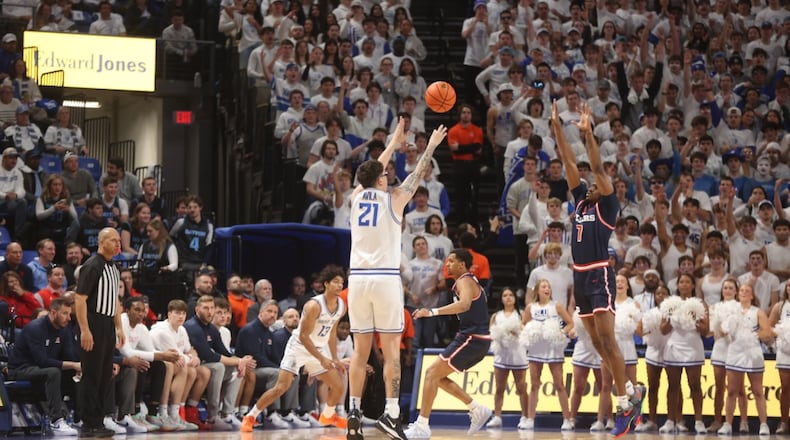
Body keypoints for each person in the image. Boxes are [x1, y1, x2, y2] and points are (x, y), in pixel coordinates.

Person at [346, 118, 446, 440]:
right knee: (391, 352)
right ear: (380, 180)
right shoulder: (395, 199)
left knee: (360, 352)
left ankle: (353, 413)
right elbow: (417, 175)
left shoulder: (356, 198)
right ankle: (391, 414)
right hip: (385, 279)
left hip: (358, 281)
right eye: (386, 175)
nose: (389, 176)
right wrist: (429, 146)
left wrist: (392, 142)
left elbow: (372, 171)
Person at [551, 101, 643, 438]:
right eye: (586, 185)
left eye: (593, 184)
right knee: (597, 345)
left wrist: (588, 134)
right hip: (579, 273)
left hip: (599, 272)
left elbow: (596, 168)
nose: (588, 184)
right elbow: (568, 161)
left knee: (608, 339)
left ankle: (624, 403)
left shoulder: (607, 205)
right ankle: (632, 392)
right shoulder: (580, 203)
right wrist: (558, 127)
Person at [240, 265, 349, 431]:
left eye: (342, 282)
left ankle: (327, 415)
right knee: (281, 387)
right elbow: (304, 337)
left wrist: (334, 358)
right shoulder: (314, 306)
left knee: (338, 386)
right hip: (298, 347)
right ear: (326, 284)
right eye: (336, 282)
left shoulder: (341, 306)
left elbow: (332, 332)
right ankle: (250, 416)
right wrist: (322, 359)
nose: (340, 286)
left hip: (318, 349)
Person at [404, 249, 492, 438]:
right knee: (436, 377)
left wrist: (432, 312)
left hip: (472, 338)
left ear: (462, 264)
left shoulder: (465, 281)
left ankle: (422, 426)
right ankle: (476, 408)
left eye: (451, 261)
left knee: (430, 373)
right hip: (475, 339)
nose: (447, 264)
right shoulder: (464, 282)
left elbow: (465, 305)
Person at [73, 228, 124, 438]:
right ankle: (88, 423)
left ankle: (99, 420)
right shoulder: (92, 265)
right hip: (93, 322)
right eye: (113, 240)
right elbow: (80, 299)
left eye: (119, 240)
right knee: (92, 374)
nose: (118, 243)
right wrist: (85, 330)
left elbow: (115, 301)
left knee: (105, 375)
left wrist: (119, 326)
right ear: (102, 242)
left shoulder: (114, 267)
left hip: (108, 325)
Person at [7, 296, 80, 436]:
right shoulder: (35, 328)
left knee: (76, 372)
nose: (69, 318)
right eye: (65, 313)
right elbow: (42, 361)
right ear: (53, 313)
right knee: (53, 372)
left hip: (41, 369)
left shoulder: (63, 329)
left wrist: (80, 367)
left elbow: (69, 355)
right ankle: (56, 421)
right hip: (21, 369)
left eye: (69, 314)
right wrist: (73, 365)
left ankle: (81, 417)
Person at [184, 295, 254, 430]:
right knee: (219, 366)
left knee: (235, 369)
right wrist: (238, 361)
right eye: (206, 308)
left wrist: (240, 363)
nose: (209, 311)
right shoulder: (193, 326)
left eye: (211, 308)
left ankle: (227, 413)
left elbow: (224, 352)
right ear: (197, 309)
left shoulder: (211, 329)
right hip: (196, 365)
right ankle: (213, 415)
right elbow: (209, 355)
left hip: (207, 365)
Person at [719, 283, 772, 436]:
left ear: (752, 295)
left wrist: (753, 335)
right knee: (731, 391)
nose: (743, 292)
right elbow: (722, 332)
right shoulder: (730, 310)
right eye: (741, 290)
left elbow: (767, 332)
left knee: (757, 391)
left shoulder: (758, 312)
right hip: (734, 352)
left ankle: (763, 424)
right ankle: (728, 423)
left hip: (752, 353)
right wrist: (724, 327)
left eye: (746, 291)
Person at [521, 279, 574, 430]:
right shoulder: (531, 307)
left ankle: (567, 419)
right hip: (536, 348)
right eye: (544, 286)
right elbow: (523, 323)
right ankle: (530, 419)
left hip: (553, 348)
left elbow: (570, 323)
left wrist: (560, 333)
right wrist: (529, 331)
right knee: (534, 384)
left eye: (549, 287)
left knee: (559, 384)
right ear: (537, 290)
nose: (547, 289)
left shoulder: (556, 306)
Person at [485, 287, 528, 430]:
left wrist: (517, 333)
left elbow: (527, 335)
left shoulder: (521, 314)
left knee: (521, 388)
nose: (508, 297)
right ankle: (497, 416)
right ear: (501, 299)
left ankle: (525, 416)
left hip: (518, 356)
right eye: (505, 295)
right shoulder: (496, 316)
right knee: (499, 388)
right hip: (501, 356)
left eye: (511, 295)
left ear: (515, 298)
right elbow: (491, 335)